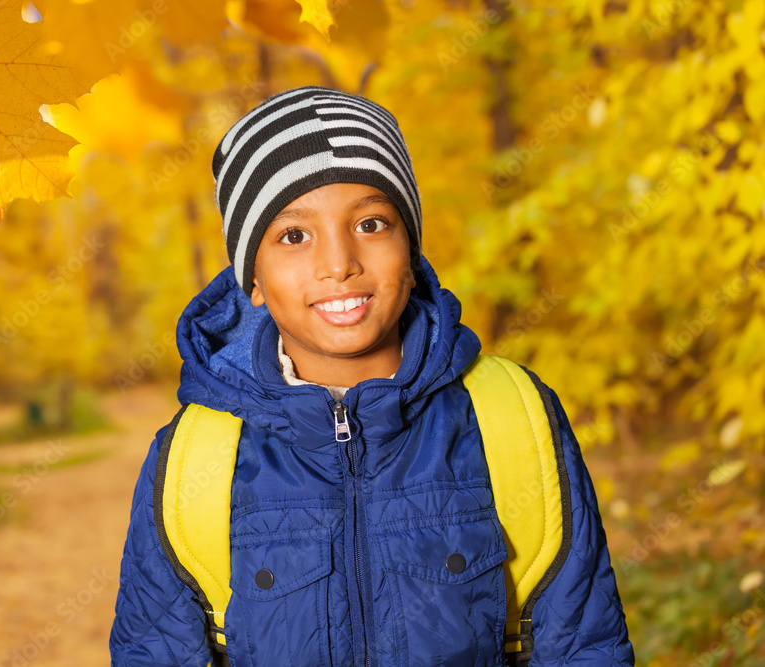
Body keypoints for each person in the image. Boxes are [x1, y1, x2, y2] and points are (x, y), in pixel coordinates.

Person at [109, 85, 635, 666]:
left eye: (372, 224)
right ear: (252, 281)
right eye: (293, 235)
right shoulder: (192, 462)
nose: (339, 263)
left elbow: (584, 646)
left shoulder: (513, 420)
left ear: (410, 252)